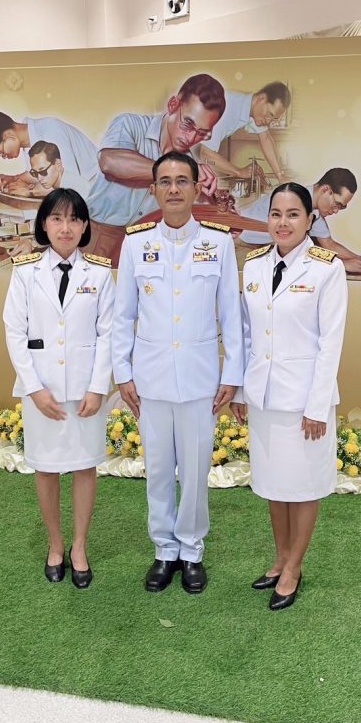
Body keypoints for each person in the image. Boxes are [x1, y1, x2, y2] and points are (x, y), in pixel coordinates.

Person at [112, 151, 243, 594]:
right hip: (149, 379)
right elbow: (122, 315)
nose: (173, 189)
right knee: (157, 468)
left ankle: (191, 550)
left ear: (195, 188)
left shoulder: (218, 243)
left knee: (195, 468)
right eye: (165, 181)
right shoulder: (135, 243)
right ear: (153, 190)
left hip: (201, 378)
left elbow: (231, 314)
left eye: (182, 180)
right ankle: (164, 550)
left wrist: (232, 375)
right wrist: (122, 373)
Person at [231, 182, 348, 611]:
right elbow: (246, 334)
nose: (283, 222)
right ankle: (280, 558)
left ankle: (294, 567)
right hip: (263, 396)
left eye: (293, 214)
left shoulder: (327, 269)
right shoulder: (255, 265)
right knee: (274, 484)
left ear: (310, 219)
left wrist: (317, 406)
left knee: (302, 486)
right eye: (276, 214)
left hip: (304, 401)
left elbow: (330, 344)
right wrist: (241, 389)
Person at [3, 188, 115, 587]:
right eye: (56, 219)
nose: (65, 228)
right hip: (43, 392)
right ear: (44, 225)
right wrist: (34, 389)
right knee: (46, 469)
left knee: (85, 466)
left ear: (84, 227)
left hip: (85, 392)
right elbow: (15, 332)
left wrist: (98, 387)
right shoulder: (25, 272)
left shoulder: (99, 273)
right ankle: (55, 544)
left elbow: (108, 334)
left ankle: (79, 546)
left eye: (73, 219)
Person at [85, 74, 227, 266]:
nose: (191, 138)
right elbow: (109, 162)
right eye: (188, 124)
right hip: (97, 234)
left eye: (202, 133)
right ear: (173, 105)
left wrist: (222, 217)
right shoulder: (130, 124)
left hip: (143, 247)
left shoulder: (188, 165)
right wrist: (173, 170)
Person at [237, 168, 361, 274]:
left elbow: (329, 244)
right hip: (241, 246)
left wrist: (360, 260)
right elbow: (296, 251)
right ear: (325, 190)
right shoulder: (293, 199)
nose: (336, 210)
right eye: (337, 203)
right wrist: (342, 263)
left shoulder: (314, 211)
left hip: (261, 248)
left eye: (342, 207)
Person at [0, 111, 99, 201]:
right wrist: (14, 179)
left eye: (1, 152)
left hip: (97, 193)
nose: (3, 157)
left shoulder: (51, 131)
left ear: (8, 136)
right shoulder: (29, 141)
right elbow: (43, 175)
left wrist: (30, 191)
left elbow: (68, 183)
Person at [198, 82, 291, 184]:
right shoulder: (226, 107)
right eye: (270, 114)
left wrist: (280, 175)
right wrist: (239, 172)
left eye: (273, 118)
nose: (269, 121)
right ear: (261, 99)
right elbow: (206, 154)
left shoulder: (252, 109)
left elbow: (265, 138)